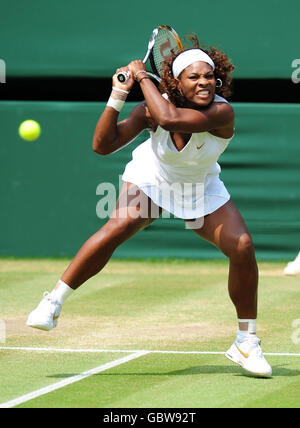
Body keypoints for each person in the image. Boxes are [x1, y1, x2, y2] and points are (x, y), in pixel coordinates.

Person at [27, 37, 272, 378]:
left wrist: (141, 77)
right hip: (153, 178)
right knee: (117, 227)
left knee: (243, 246)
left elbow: (169, 119)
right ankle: (53, 302)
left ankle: (246, 342)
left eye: (208, 77)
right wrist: (118, 95)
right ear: (176, 82)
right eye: (193, 77)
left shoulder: (221, 111)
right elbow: (103, 145)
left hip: (200, 187)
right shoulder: (151, 109)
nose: (204, 83)